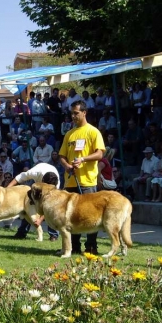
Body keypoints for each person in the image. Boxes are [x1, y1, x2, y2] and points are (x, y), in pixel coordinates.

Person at [58, 100, 105, 255]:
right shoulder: (69, 134)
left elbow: (100, 153)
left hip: (87, 181)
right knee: (71, 217)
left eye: (76, 113)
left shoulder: (93, 131)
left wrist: (83, 159)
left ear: (84, 113)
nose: (73, 116)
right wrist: (66, 166)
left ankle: (91, 247)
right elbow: (62, 156)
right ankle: (74, 247)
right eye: (71, 113)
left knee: (90, 216)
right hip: (70, 181)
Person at [7, 163, 61, 241]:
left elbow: (48, 206)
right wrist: (6, 190)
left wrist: (40, 220)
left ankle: (54, 235)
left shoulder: (56, 185)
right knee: (28, 207)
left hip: (49, 191)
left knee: (52, 210)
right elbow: (18, 178)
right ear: (42, 181)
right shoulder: (34, 172)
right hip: (37, 184)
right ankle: (22, 232)